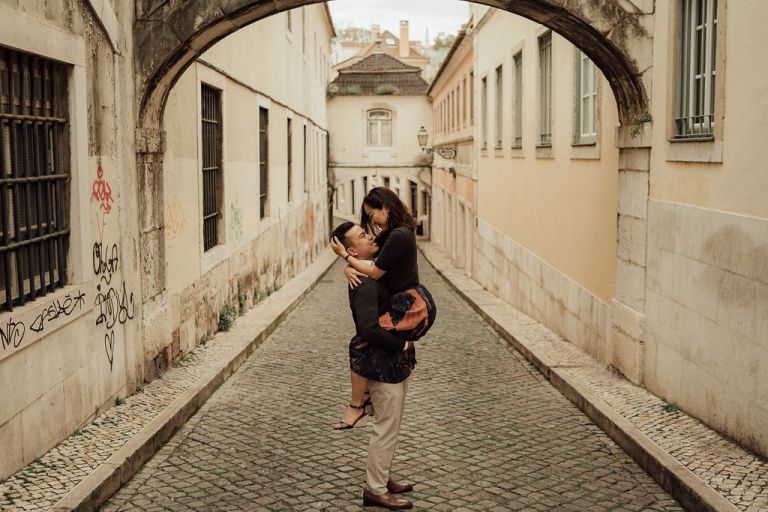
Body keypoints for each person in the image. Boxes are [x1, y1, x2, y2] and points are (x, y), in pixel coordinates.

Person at [330, 187, 435, 431]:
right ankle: (362, 400)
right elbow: (367, 258)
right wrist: (349, 267)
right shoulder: (389, 235)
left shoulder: (399, 235)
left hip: (411, 305)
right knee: (370, 337)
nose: (370, 224)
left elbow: (374, 271)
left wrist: (345, 258)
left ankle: (357, 405)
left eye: (371, 214)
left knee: (361, 342)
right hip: (405, 302)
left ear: (385, 208)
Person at [330, 221, 416, 510]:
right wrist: (402, 345)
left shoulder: (370, 269)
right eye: (364, 235)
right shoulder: (363, 283)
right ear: (353, 249)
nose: (371, 236)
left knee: (391, 424)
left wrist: (346, 263)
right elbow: (368, 330)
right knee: (385, 426)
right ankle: (375, 490)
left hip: (392, 362)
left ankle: (382, 476)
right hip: (382, 364)